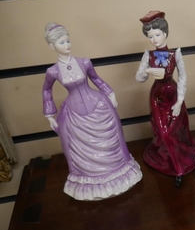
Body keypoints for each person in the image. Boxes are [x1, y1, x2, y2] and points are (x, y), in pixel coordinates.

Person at [42, 23, 142, 200]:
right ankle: (90, 181)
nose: (67, 45)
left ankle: (119, 173)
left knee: (112, 137)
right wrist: (49, 114)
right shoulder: (53, 71)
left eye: (68, 40)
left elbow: (96, 79)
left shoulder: (84, 62)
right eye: (61, 42)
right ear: (52, 46)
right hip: (73, 114)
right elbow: (46, 90)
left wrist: (110, 93)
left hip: (98, 105)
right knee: (76, 145)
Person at [136, 11, 195, 185]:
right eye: (150, 36)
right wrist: (147, 70)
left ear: (165, 33)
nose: (154, 40)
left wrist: (180, 101)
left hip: (173, 94)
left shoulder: (175, 53)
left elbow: (183, 76)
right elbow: (139, 78)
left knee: (173, 132)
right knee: (162, 132)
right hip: (157, 97)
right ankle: (177, 169)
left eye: (157, 35)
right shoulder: (148, 55)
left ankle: (178, 163)